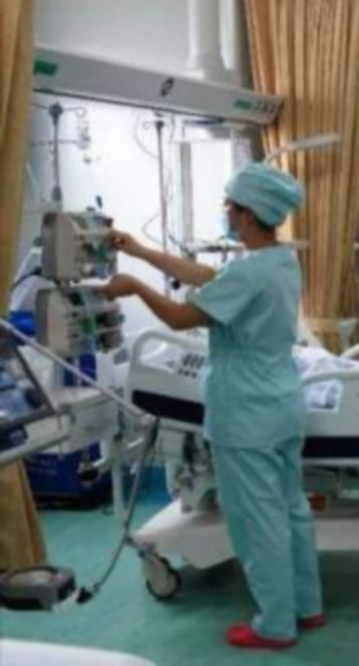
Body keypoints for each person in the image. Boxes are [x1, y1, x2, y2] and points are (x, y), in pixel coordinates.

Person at [103, 163, 323, 650]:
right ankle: (307, 606)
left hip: (246, 413)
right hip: (281, 403)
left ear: (248, 215)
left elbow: (182, 317)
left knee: (257, 521)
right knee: (291, 509)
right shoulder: (279, 262)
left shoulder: (250, 271)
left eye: (230, 205)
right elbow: (208, 277)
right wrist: (140, 252)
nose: (225, 211)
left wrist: (135, 286)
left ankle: (275, 625)